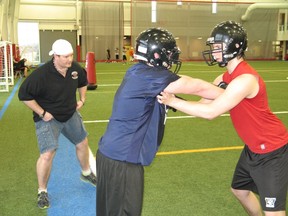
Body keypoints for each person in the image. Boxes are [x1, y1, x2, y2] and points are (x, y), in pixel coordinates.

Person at [157, 21, 288, 216]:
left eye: (217, 47)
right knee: (239, 190)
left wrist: (174, 102)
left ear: (234, 47)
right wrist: (171, 95)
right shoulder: (224, 78)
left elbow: (211, 112)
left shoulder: (245, 80)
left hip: (271, 151)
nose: (214, 51)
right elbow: (203, 103)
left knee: (274, 212)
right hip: (253, 148)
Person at [96, 27, 223, 216]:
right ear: (156, 54)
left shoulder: (141, 75)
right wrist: (230, 92)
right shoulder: (150, 77)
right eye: (169, 53)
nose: (172, 59)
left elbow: (195, 103)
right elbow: (195, 86)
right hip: (122, 161)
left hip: (111, 156)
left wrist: (216, 92)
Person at [18, 39, 97, 209]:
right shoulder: (41, 75)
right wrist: (42, 113)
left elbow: (83, 82)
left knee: (82, 143)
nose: (70, 59)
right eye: (65, 57)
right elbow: (24, 96)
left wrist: (82, 99)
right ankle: (42, 191)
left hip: (70, 113)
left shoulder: (74, 69)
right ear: (55, 56)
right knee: (47, 154)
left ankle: (86, 173)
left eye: (71, 56)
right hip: (48, 118)